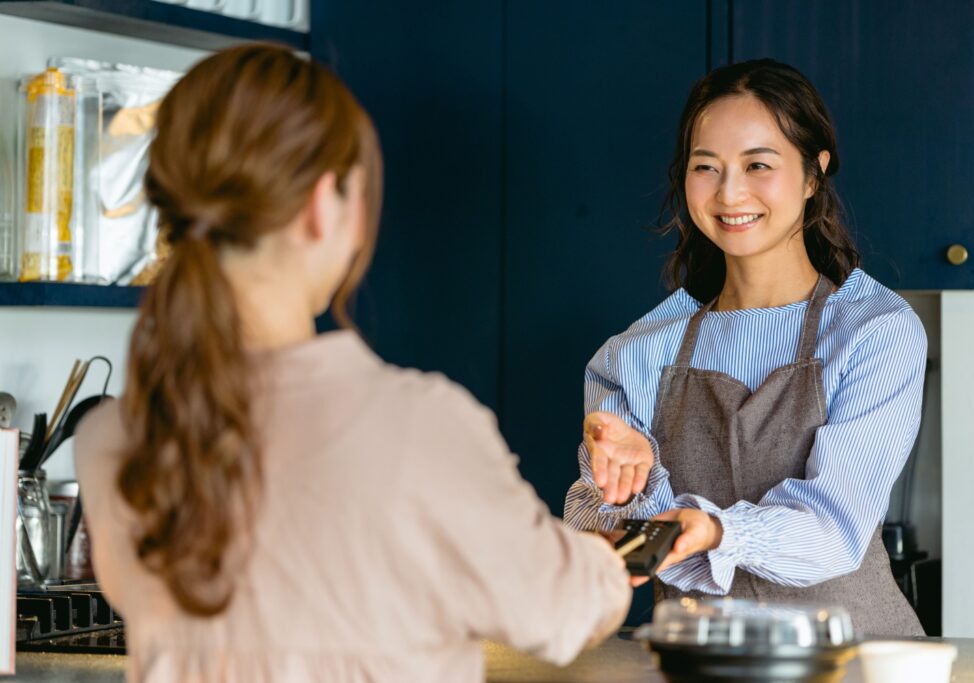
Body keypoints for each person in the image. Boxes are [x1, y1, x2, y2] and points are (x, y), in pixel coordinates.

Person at [75, 44, 631, 683]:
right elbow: (562, 612)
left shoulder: (110, 440)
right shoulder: (419, 425)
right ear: (322, 205)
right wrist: (603, 557)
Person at [564, 59, 926, 637]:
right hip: (697, 663)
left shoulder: (874, 331)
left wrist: (715, 530)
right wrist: (629, 485)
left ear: (814, 174)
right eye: (706, 167)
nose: (730, 192)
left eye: (758, 164)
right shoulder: (633, 355)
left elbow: (834, 530)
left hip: (854, 661)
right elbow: (595, 531)